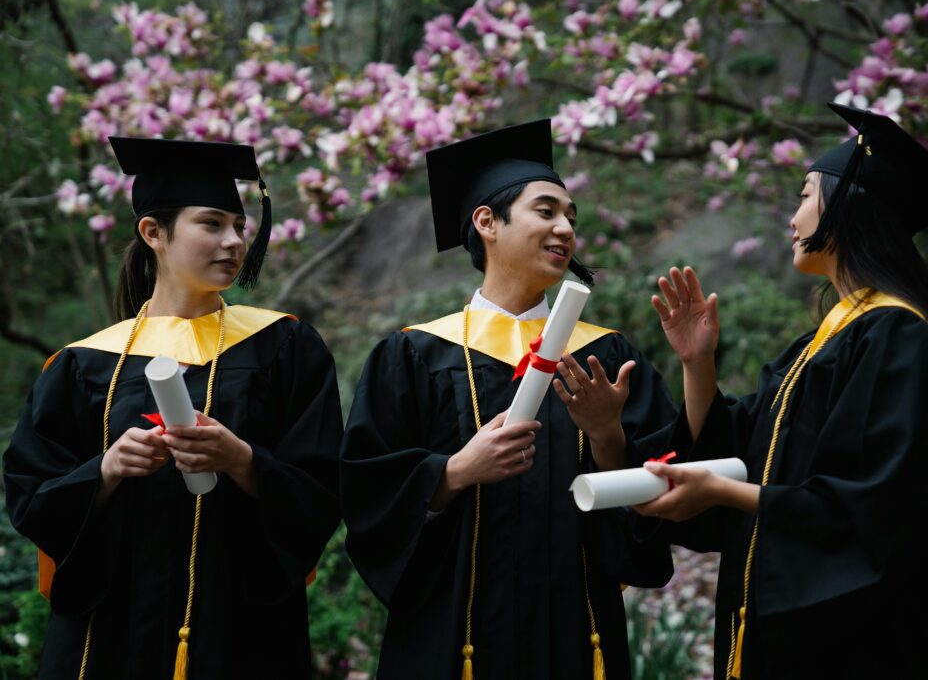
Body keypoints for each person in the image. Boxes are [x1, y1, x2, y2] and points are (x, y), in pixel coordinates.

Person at [635, 103, 928, 679]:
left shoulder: (900, 339)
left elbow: (877, 508)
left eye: (806, 195)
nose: (793, 218)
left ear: (849, 205)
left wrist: (726, 494)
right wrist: (698, 364)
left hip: (864, 646)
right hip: (791, 635)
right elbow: (743, 447)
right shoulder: (824, 343)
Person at [340, 119, 675, 679]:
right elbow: (366, 496)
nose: (565, 228)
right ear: (487, 222)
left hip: (576, 631)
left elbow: (658, 498)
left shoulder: (606, 358)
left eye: (571, 216)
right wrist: (451, 473)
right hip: (453, 637)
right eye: (546, 211)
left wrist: (606, 435)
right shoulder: (414, 356)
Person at [3, 137, 343, 680]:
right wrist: (107, 470)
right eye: (211, 223)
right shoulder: (82, 364)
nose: (233, 240)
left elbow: (324, 490)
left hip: (241, 632)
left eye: (239, 224)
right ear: (153, 233)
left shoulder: (284, 348)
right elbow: (31, 495)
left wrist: (242, 460)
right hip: (109, 635)